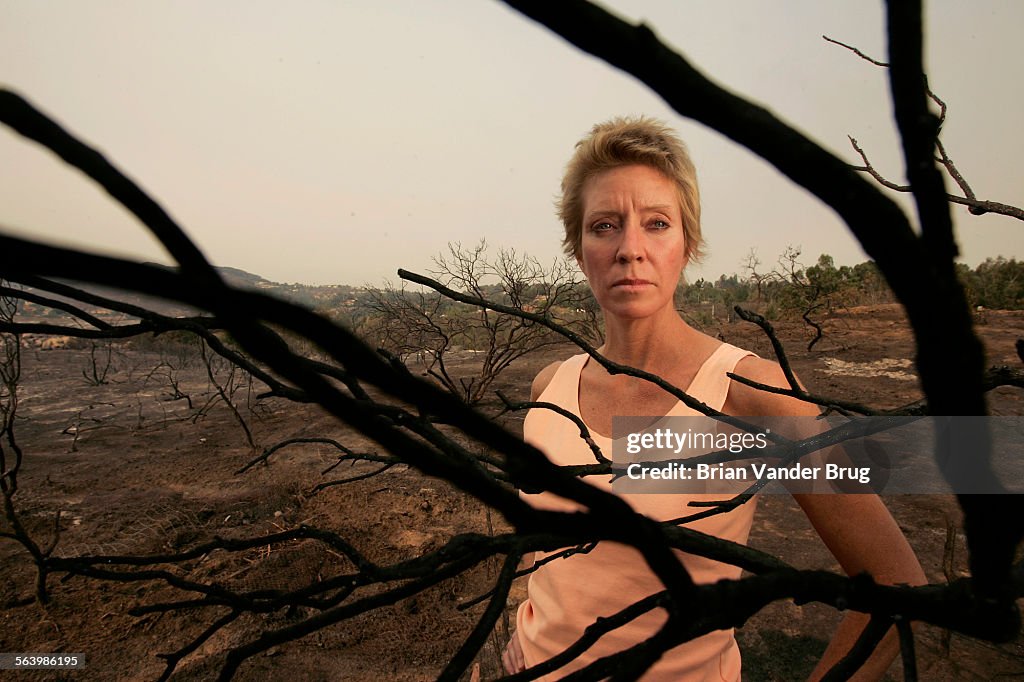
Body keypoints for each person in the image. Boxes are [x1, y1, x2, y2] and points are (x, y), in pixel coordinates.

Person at [501, 117, 926, 680]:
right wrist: (513, 639)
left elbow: (896, 587)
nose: (631, 249)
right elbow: (548, 562)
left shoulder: (745, 394)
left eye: (656, 223)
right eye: (605, 225)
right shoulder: (549, 388)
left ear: (688, 245)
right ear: (579, 249)